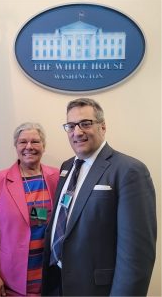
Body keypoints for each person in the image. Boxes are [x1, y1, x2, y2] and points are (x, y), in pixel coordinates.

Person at [41, 98, 157, 296]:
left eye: (86, 124)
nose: (77, 132)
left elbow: (137, 256)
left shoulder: (129, 170)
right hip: (56, 282)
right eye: (71, 126)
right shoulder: (67, 167)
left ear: (103, 127)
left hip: (95, 289)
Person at [0, 122, 59, 296]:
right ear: (16, 146)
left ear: (43, 146)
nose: (29, 147)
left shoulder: (58, 177)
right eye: (23, 142)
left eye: (35, 141)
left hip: (52, 278)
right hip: (12, 280)